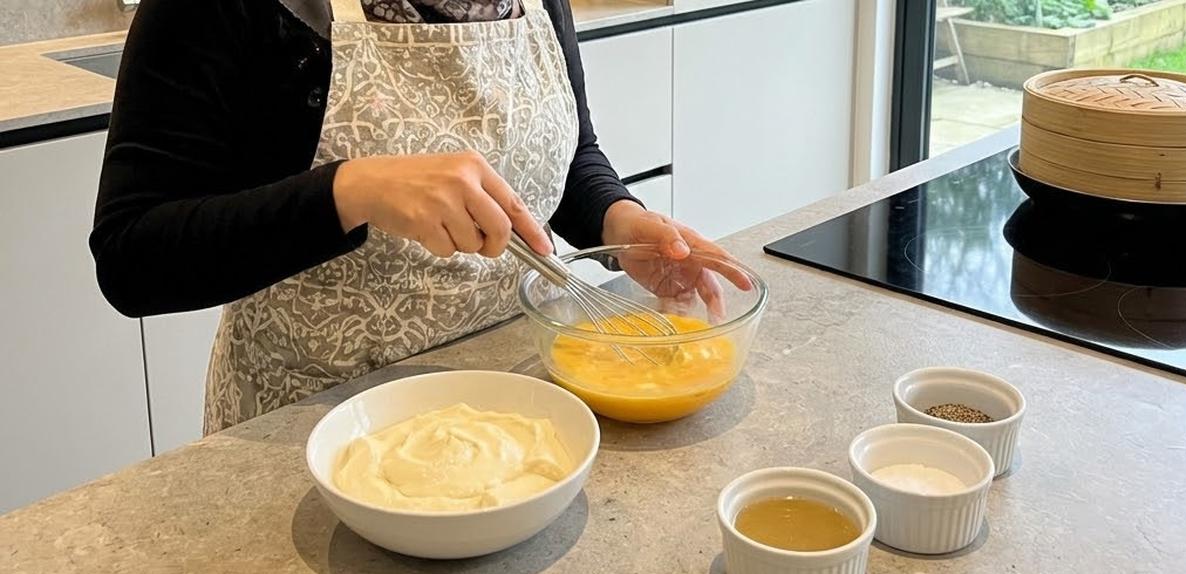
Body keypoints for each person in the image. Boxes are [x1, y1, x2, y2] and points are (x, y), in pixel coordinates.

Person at [91, 0, 747, 434]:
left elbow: (567, 148)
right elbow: (132, 256)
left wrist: (618, 221)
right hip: (318, 427)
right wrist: (351, 189)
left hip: (517, 411)